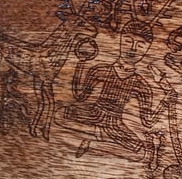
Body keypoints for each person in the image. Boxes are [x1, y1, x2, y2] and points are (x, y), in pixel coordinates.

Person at [64, 20, 171, 159]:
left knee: (140, 154)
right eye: (128, 41)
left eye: (140, 46)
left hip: (115, 124)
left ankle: (93, 142)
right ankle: (96, 135)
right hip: (93, 113)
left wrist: (165, 101)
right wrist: (81, 63)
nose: (133, 49)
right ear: (120, 40)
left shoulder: (141, 85)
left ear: (147, 50)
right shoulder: (101, 70)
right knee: (60, 114)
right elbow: (80, 96)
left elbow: (147, 121)